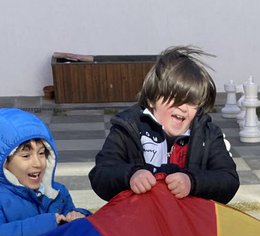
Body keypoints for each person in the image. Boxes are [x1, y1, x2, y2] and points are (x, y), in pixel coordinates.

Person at [88, 45, 239, 204]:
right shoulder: (127, 127)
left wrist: (192, 182)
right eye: (177, 99)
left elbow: (228, 179)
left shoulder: (208, 134)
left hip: (188, 221)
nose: (184, 108)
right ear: (153, 99)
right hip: (138, 219)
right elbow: (101, 173)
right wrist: (130, 175)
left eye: (192, 102)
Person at [0, 108, 90, 236]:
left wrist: (80, 216)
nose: (37, 163)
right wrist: (49, 224)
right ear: (4, 161)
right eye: (26, 156)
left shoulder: (57, 192)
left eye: (42, 153)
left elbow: (71, 226)